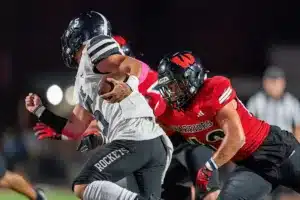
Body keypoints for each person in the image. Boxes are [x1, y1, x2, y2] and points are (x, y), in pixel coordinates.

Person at [25, 11, 173, 200]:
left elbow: (133, 64)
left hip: (134, 136)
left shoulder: (94, 46)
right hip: (152, 142)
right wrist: (40, 111)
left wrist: (129, 85)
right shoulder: (84, 77)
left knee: (84, 184)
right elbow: (75, 128)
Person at [155, 51, 300, 199]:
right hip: (251, 166)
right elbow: (158, 144)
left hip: (278, 149)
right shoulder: (169, 114)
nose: (171, 92)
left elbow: (237, 138)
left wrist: (208, 167)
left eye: (175, 85)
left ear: (192, 78)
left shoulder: (213, 89)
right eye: (167, 87)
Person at [247, 66, 300, 199]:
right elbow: (248, 127)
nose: (274, 85)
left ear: (283, 83)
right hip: (263, 151)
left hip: (285, 152)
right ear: (265, 83)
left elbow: (298, 128)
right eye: (271, 81)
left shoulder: (291, 103)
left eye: (277, 81)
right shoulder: (256, 101)